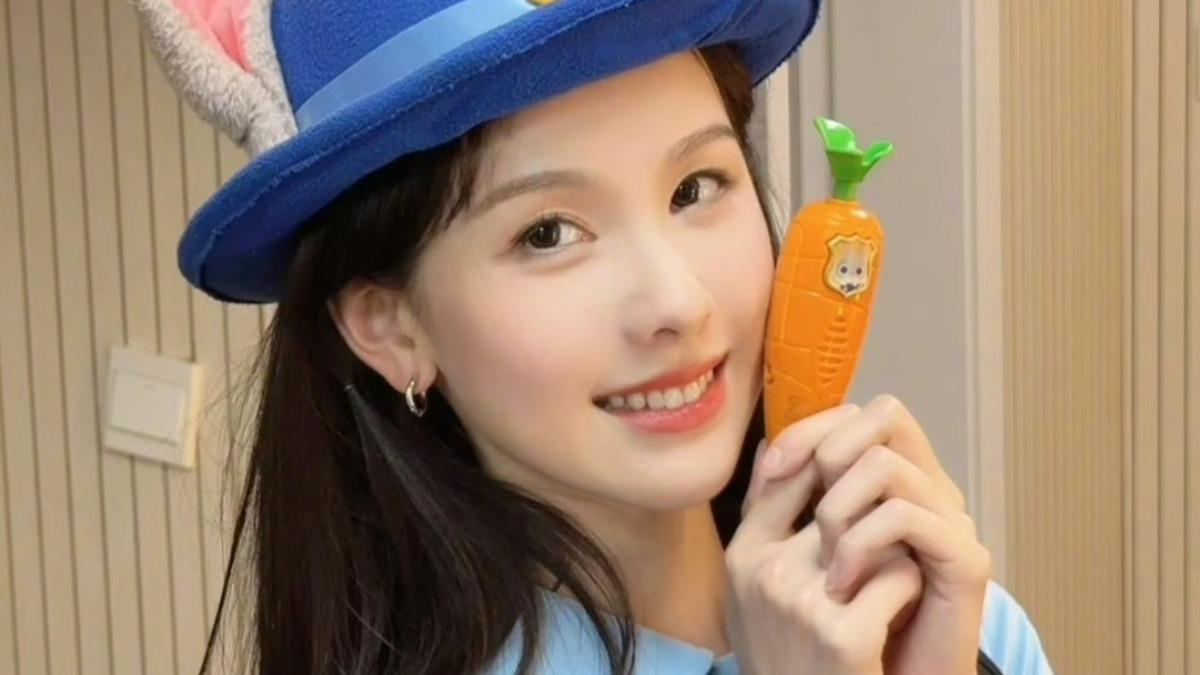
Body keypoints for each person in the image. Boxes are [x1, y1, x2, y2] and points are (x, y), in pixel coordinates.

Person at [134, 0, 1055, 673]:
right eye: (548, 233)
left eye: (696, 187)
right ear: (390, 326)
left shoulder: (955, 620)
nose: (677, 302)